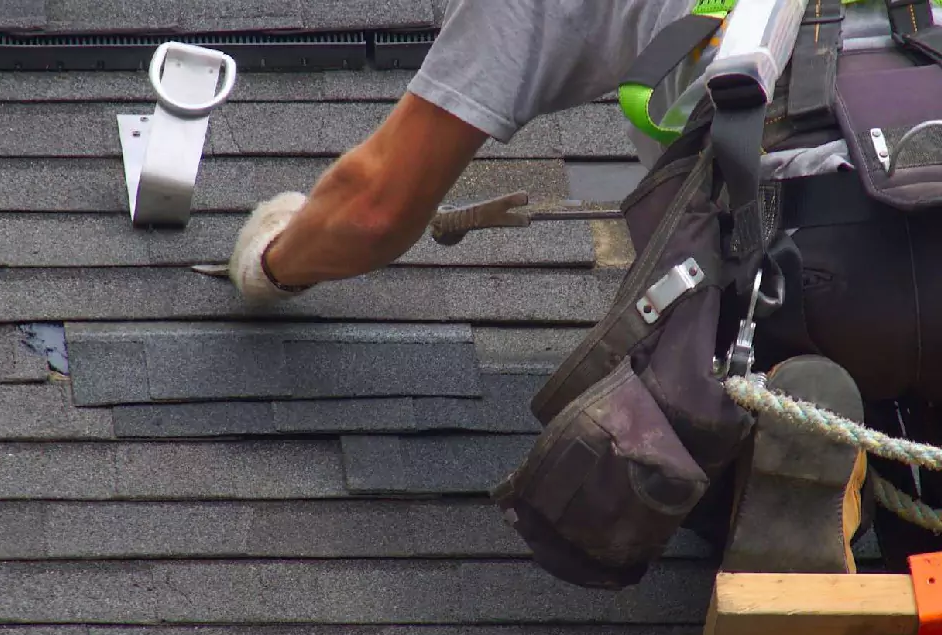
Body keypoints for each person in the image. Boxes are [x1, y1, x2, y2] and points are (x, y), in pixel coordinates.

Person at [227, 0, 942, 578]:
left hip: (808, 285)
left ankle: (772, 465)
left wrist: (272, 259)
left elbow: (374, 206)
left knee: (699, 381)